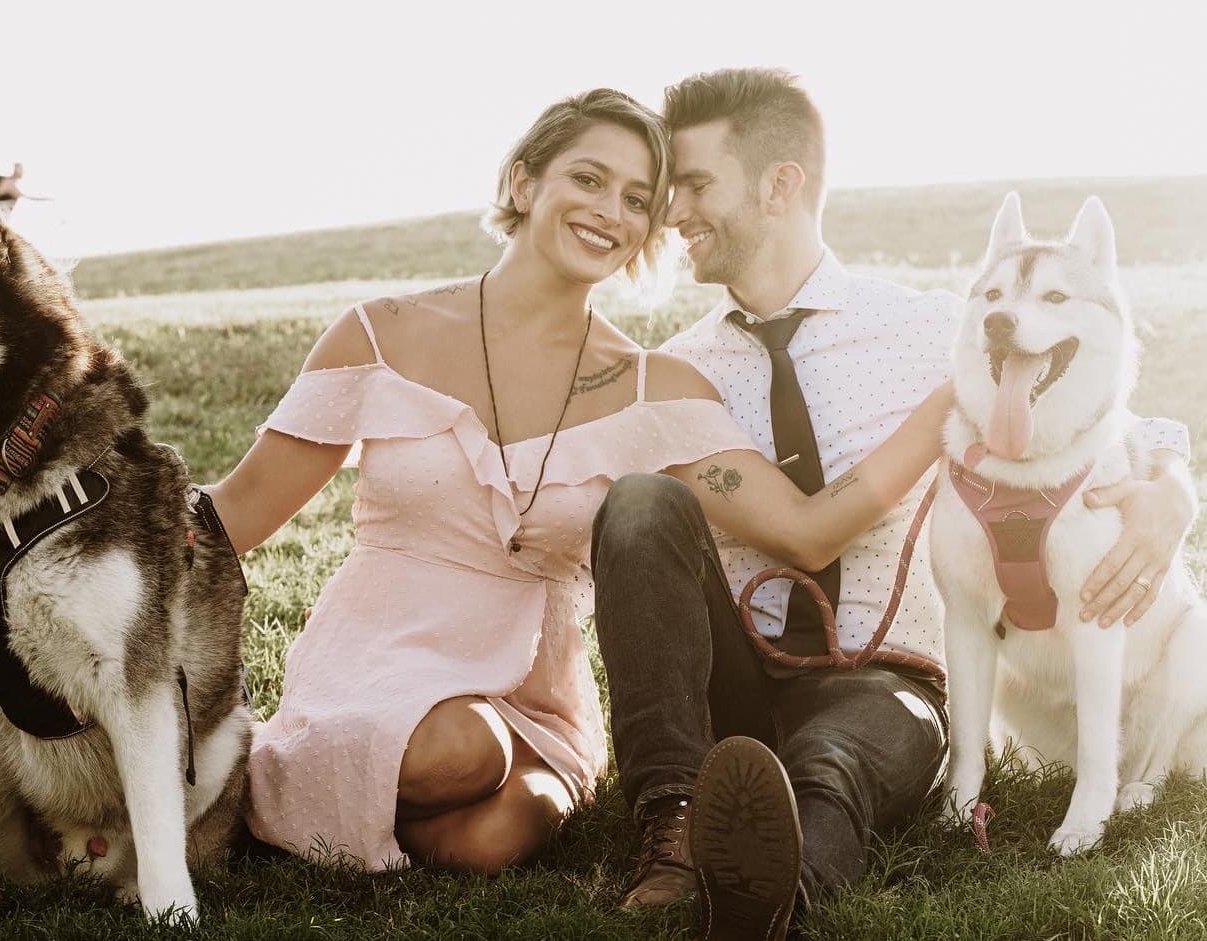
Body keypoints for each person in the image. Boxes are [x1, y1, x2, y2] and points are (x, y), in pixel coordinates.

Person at [203, 87, 957, 875]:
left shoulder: (653, 386)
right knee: (460, 750)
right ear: (524, 182)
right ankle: (288, 772)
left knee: (492, 838)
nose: (613, 210)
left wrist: (955, 398)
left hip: (525, 687)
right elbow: (237, 512)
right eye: (589, 179)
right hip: (381, 649)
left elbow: (804, 528)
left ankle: (330, 809)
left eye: (638, 198)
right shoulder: (381, 333)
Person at [593, 67, 1197, 940]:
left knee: (834, 763)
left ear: (780, 183)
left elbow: (1105, 414)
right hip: (735, 664)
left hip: (887, 680)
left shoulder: (929, 328)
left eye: (693, 182)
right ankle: (676, 820)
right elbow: (778, 534)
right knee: (641, 504)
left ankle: (769, 898)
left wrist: (1171, 489)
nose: (670, 209)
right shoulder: (683, 365)